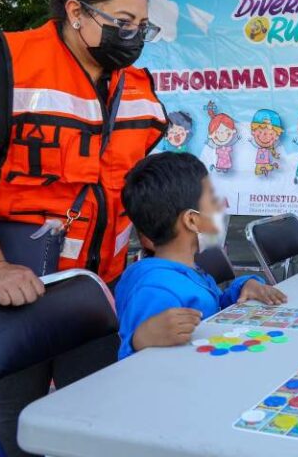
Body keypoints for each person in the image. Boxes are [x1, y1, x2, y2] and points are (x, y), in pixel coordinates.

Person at [0, 0, 166, 456]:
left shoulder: (135, 83)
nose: (134, 35)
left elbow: (131, 178)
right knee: (21, 427)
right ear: (76, 12)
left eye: (142, 25)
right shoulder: (7, 61)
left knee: (92, 422)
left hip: (96, 288)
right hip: (16, 288)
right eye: (123, 21)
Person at [116, 152, 287, 360]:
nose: (221, 206)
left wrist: (243, 287)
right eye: (212, 199)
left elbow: (209, 310)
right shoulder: (156, 290)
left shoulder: (186, 270)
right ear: (191, 220)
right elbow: (133, 366)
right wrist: (139, 341)